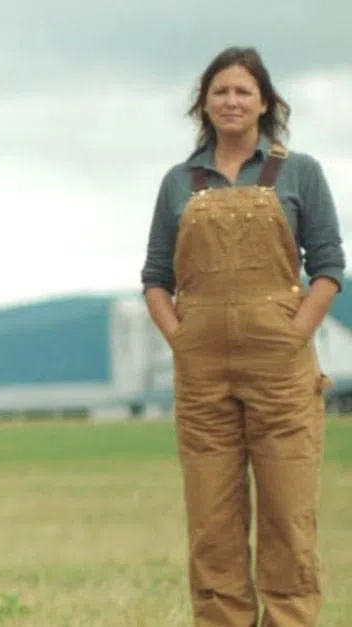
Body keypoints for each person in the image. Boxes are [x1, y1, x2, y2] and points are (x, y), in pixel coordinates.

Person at [141, 46, 344, 627]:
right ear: (204, 104)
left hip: (282, 373)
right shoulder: (179, 182)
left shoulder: (299, 171)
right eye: (220, 91)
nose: (231, 101)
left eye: (243, 91)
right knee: (212, 525)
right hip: (202, 375)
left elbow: (329, 268)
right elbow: (155, 279)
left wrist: (295, 334)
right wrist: (181, 341)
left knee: (288, 520)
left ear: (265, 103)